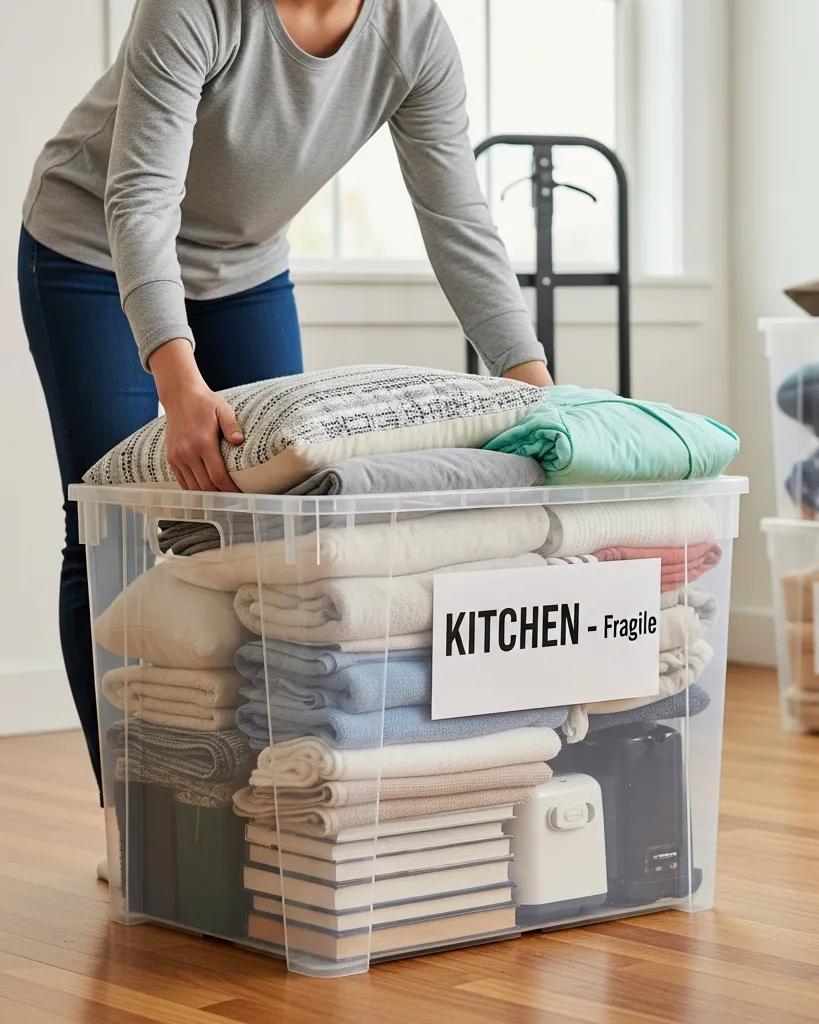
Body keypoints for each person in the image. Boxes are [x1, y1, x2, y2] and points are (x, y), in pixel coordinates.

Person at [19, 0, 552, 797]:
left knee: (279, 527)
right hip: (91, 249)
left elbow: (456, 218)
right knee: (111, 530)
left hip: (243, 269)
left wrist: (534, 382)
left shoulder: (414, 35)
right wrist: (178, 378)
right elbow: (140, 198)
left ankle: (250, 807)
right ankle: (133, 822)